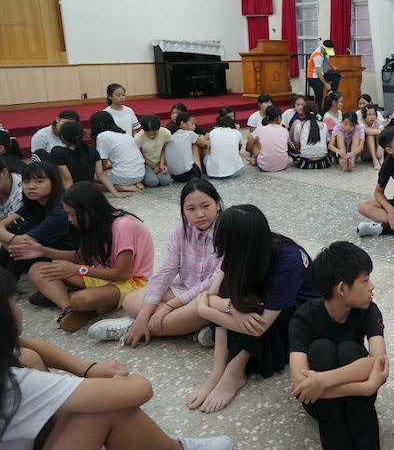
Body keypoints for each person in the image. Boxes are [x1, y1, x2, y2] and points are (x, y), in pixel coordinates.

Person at [0, 269, 234, 450]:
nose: (18, 309)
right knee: (102, 406)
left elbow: (25, 345)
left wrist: (89, 369)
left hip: (143, 289)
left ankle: (137, 325)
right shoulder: (13, 383)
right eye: (14, 302)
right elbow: (140, 389)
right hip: (161, 294)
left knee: (28, 355)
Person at [186, 205, 319, 413]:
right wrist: (232, 308)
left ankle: (234, 372)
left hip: (293, 322)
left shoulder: (289, 259)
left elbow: (260, 326)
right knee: (232, 291)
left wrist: (205, 311)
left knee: (251, 306)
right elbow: (212, 294)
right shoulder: (243, 248)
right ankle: (218, 370)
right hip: (261, 317)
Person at [88, 179, 224, 346]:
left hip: (212, 294)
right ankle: (189, 326)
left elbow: (212, 282)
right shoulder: (181, 230)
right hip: (184, 287)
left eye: (206, 206)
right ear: (183, 210)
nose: (200, 214)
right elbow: (166, 271)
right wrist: (145, 315)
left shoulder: (229, 230)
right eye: (191, 209)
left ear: (217, 204)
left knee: (202, 308)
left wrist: (168, 307)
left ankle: (131, 328)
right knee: (131, 301)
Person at [288, 241, 388, 450]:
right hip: (317, 400)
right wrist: (364, 387)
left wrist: (323, 381)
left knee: (349, 350)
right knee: (321, 349)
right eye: (365, 280)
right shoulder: (304, 317)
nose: (372, 286)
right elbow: (300, 385)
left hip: (329, 391)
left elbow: (379, 363)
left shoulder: (369, 310)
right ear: (342, 288)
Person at [21, 182, 154, 331]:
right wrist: (43, 251)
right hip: (103, 276)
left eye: (73, 214)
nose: (70, 219)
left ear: (88, 210)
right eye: (68, 214)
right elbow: (82, 258)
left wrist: (79, 270)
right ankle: (68, 308)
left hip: (132, 282)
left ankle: (67, 297)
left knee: (80, 300)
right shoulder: (95, 223)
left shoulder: (123, 226)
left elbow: (123, 274)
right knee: (38, 269)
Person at [0, 162, 74, 281]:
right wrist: (10, 239)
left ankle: (8, 283)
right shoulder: (34, 203)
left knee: (24, 228)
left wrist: (7, 239)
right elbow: (2, 225)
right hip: (41, 250)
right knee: (16, 227)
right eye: (26, 182)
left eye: (39, 181)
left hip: (68, 257)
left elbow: (21, 244)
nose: (31, 187)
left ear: (53, 182)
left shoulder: (61, 211)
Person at [90, 111, 146, 193]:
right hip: (140, 174)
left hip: (124, 177)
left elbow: (102, 164)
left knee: (90, 177)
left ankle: (118, 188)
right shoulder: (124, 134)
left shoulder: (102, 136)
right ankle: (132, 183)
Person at [290, 101, 333, 170]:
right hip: (324, 162)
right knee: (330, 142)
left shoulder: (299, 126)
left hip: (304, 163)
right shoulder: (323, 125)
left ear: (303, 113)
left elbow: (297, 145)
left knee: (290, 144)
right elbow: (326, 141)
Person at [135, 114, 173, 187]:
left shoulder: (165, 133)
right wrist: (152, 165)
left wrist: (162, 164)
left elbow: (164, 149)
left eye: (155, 133)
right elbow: (139, 154)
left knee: (165, 181)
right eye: (147, 134)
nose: (151, 136)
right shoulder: (139, 137)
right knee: (153, 182)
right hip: (145, 163)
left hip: (159, 161)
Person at [164, 112, 204, 182]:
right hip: (189, 174)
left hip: (174, 176)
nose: (194, 127)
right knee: (195, 145)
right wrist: (202, 136)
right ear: (182, 123)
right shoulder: (190, 134)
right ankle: (199, 170)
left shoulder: (173, 135)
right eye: (192, 123)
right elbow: (202, 144)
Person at [248, 105, 289, 172]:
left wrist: (249, 149)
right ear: (278, 118)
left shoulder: (260, 129)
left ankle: (255, 159)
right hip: (282, 164)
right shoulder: (284, 130)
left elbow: (250, 144)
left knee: (255, 143)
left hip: (264, 166)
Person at [307, 40, 341, 105]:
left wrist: (333, 66)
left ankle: (331, 93)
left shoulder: (323, 52)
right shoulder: (317, 55)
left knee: (337, 75)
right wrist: (326, 84)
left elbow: (326, 59)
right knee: (319, 97)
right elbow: (318, 72)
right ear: (323, 48)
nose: (327, 53)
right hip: (314, 77)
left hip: (322, 74)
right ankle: (318, 110)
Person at [359, 104, 385, 171]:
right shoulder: (361, 122)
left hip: (378, 151)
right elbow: (366, 130)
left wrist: (379, 146)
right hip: (366, 152)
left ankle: (381, 159)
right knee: (370, 135)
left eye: (374, 114)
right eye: (369, 115)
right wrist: (379, 132)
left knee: (379, 134)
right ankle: (375, 160)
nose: (372, 117)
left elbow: (383, 131)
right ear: (365, 116)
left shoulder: (377, 122)